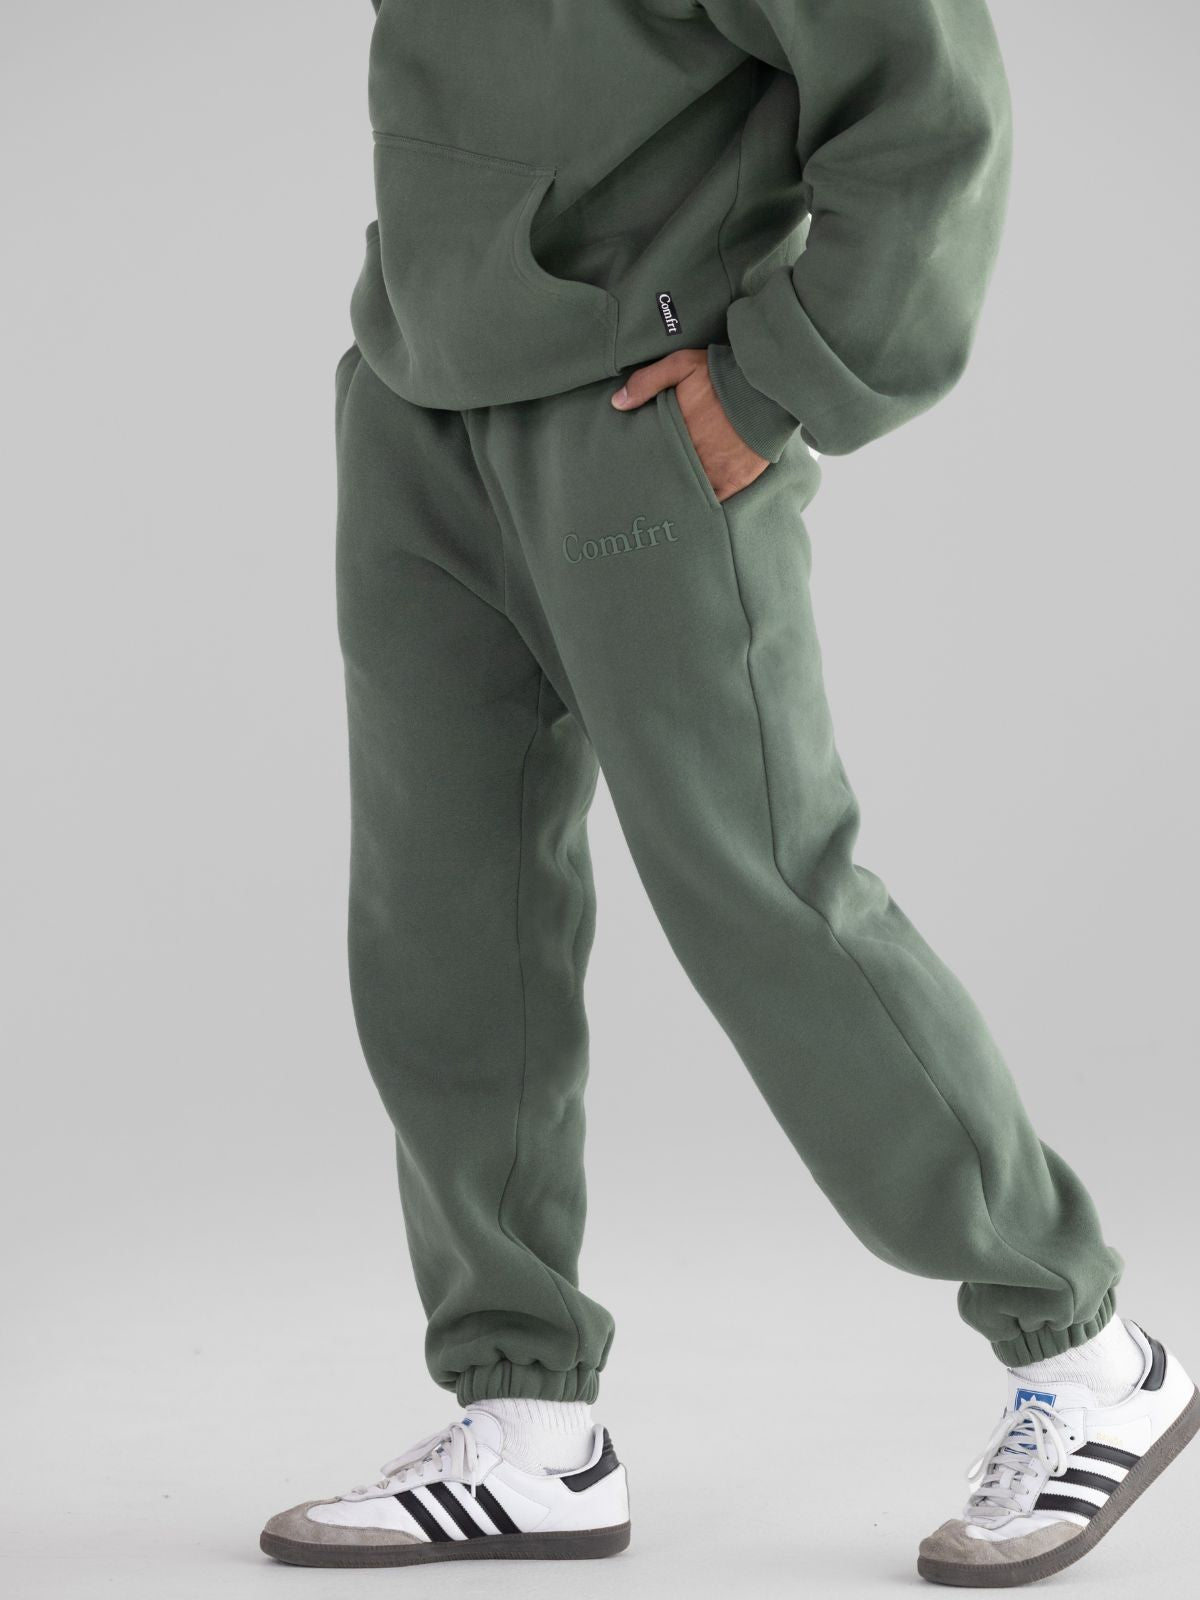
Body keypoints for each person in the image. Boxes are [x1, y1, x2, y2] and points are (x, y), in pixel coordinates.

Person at [261, 0, 1196, 1584]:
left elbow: (929, 108)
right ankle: (528, 1425)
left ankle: (1087, 1349)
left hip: (640, 418)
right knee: (441, 926)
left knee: (765, 899)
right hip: (418, 406)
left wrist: (781, 379)